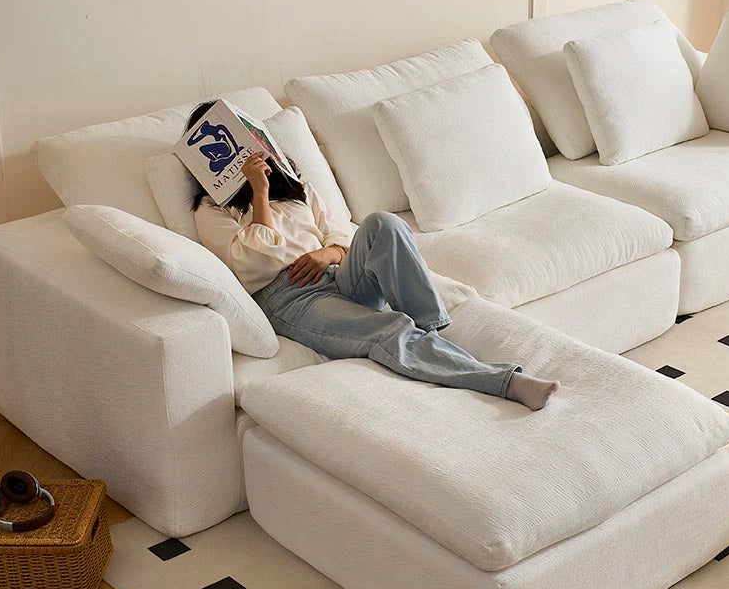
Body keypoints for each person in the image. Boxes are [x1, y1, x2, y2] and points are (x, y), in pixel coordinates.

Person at [188, 102, 559, 410]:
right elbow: (258, 261)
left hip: (335, 273)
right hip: (290, 298)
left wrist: (327, 254)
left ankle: (430, 331)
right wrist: (258, 192)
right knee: (389, 327)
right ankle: (505, 383)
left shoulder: (296, 189)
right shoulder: (212, 212)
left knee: (383, 224)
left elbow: (339, 231)